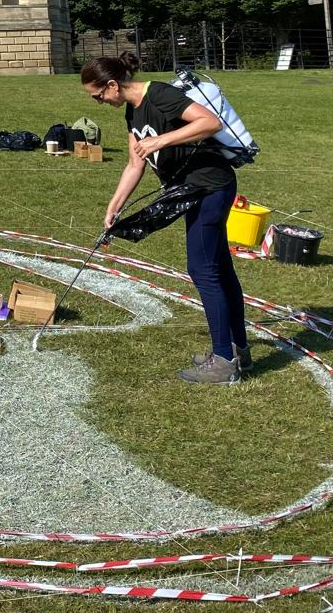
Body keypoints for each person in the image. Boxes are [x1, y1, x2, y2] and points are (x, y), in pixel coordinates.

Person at [81, 52, 249, 385]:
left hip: (210, 187)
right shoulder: (133, 111)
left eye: (99, 96)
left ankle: (225, 362)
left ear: (112, 84)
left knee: (202, 268)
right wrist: (114, 206)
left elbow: (209, 123)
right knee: (219, 269)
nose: (100, 102)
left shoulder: (158, 95)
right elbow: (135, 163)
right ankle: (237, 349)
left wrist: (162, 139)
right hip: (190, 192)